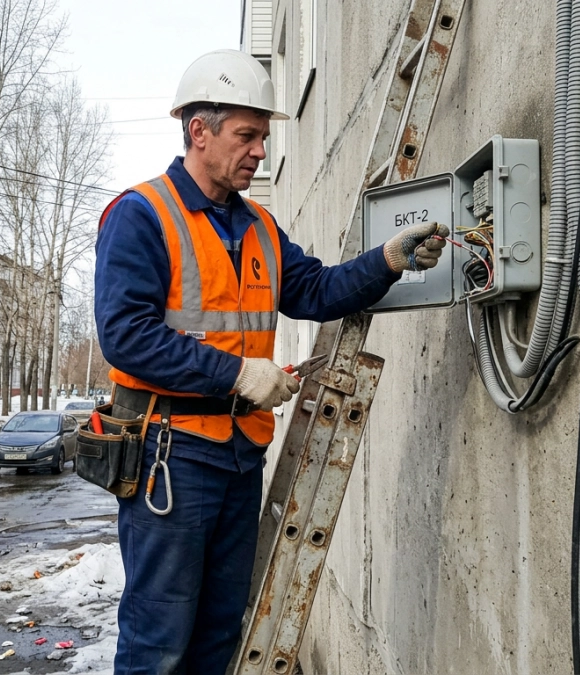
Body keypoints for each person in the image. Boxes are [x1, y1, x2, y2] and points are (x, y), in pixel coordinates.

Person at [94, 49, 448, 675]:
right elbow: (126, 337)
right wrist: (236, 374)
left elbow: (316, 291)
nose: (259, 150)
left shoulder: (259, 226)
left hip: (237, 456)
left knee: (217, 636)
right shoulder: (142, 215)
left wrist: (388, 259)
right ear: (198, 131)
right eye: (246, 135)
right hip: (171, 459)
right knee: (159, 640)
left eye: (264, 137)